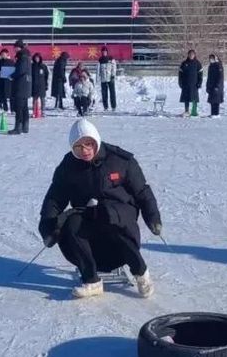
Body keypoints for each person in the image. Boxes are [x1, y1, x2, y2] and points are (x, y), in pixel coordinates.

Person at [38, 119, 162, 299]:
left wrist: (153, 218)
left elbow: (142, 191)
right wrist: (47, 226)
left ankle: (141, 273)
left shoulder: (120, 160)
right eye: (78, 146)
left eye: (88, 144)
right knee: (71, 224)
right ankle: (92, 280)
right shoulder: (68, 166)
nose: (85, 150)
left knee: (109, 216)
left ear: (96, 140)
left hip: (119, 213)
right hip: (87, 214)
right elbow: (54, 198)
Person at [9, 39, 32, 135]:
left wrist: (12, 75)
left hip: (21, 86)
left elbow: (21, 70)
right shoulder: (26, 56)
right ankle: (25, 127)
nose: (14, 49)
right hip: (25, 86)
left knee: (19, 107)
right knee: (24, 107)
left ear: (19, 47)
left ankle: (18, 128)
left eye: (15, 47)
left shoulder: (22, 56)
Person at [178, 49, 203, 116]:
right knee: (186, 98)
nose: (191, 55)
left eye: (192, 54)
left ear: (194, 55)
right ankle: (186, 111)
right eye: (190, 54)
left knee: (194, 98)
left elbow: (200, 74)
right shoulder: (184, 63)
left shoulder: (198, 63)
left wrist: (199, 83)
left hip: (194, 84)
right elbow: (180, 74)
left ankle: (194, 111)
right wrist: (180, 82)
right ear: (188, 55)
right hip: (185, 84)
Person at [96, 46, 117, 111]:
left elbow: (114, 67)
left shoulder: (111, 59)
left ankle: (113, 106)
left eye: (105, 51)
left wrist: (113, 75)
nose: (104, 53)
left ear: (107, 52)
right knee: (104, 94)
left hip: (110, 78)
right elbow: (98, 70)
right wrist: (97, 78)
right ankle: (105, 107)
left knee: (112, 93)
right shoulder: (100, 60)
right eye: (103, 52)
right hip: (103, 78)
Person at [206, 54, 224, 118]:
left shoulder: (218, 66)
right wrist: (207, 86)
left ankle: (216, 114)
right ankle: (212, 113)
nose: (211, 59)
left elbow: (220, 77)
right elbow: (209, 77)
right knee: (212, 101)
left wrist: (217, 86)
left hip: (217, 87)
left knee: (216, 101)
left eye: (212, 58)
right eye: (210, 58)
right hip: (211, 86)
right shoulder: (210, 66)